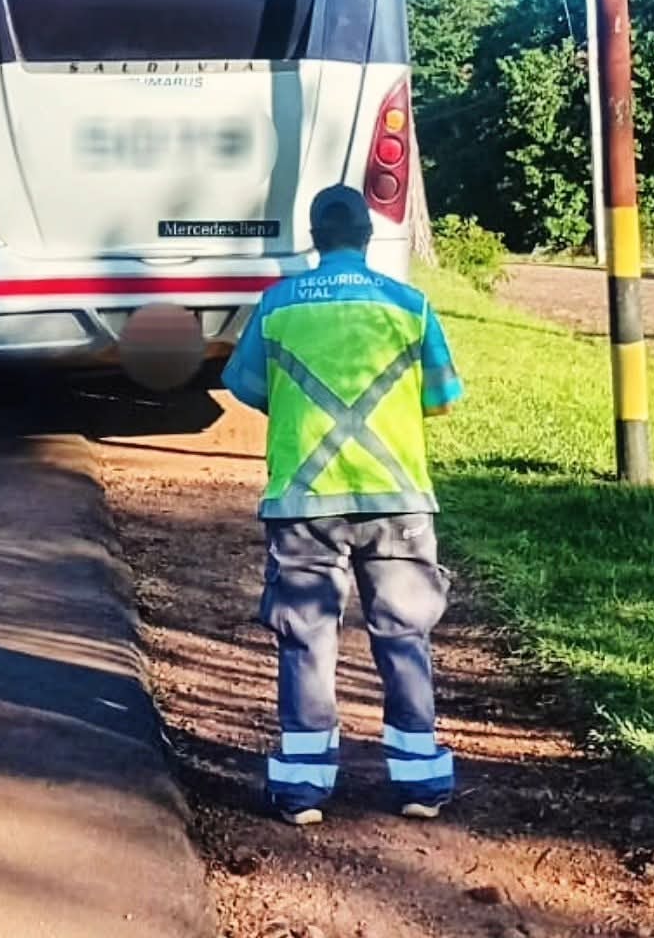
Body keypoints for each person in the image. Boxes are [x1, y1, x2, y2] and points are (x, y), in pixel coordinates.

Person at [222, 184, 463, 826]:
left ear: (314, 236)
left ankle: (303, 788)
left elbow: (247, 387)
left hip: (303, 500)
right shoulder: (410, 307)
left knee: (306, 636)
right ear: (365, 236)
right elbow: (441, 397)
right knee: (405, 632)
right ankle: (419, 783)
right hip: (399, 499)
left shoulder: (276, 307)